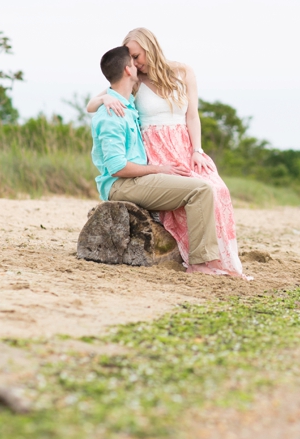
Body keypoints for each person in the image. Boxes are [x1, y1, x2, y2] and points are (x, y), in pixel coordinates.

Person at [87, 30, 247, 279]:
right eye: (132, 59)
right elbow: (96, 102)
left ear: (150, 47)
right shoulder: (132, 83)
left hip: (182, 144)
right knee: (198, 189)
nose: (136, 63)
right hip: (153, 151)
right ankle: (197, 259)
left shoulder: (183, 72)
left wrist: (197, 150)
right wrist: (105, 98)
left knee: (218, 188)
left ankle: (218, 258)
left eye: (137, 55)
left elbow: (192, 115)